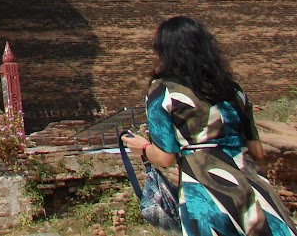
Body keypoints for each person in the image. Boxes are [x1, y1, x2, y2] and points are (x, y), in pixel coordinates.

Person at [122, 16, 297, 236]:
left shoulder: (164, 92)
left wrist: (144, 148)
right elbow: (257, 152)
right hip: (254, 190)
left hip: (205, 192)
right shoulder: (234, 91)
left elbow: (166, 158)